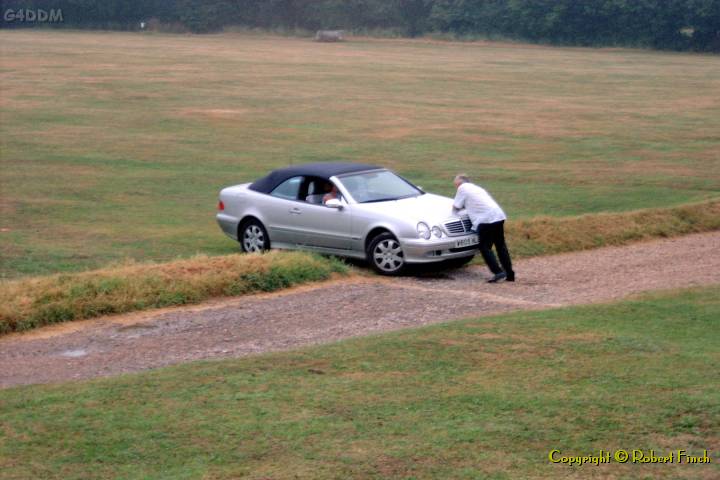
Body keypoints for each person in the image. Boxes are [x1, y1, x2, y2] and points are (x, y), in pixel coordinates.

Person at [452, 174, 515, 283]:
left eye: (456, 185)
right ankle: (510, 274)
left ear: (459, 183)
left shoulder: (462, 188)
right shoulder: (476, 188)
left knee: (484, 247)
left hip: (486, 219)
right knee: (500, 246)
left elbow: (456, 207)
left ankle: (498, 272)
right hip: (498, 215)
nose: (456, 188)